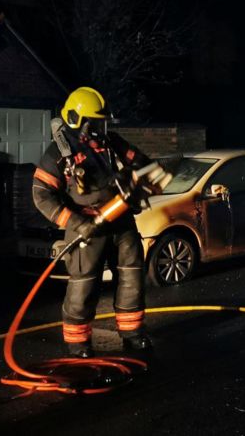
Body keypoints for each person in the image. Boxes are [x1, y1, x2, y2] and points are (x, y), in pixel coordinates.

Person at [32, 87, 157, 357]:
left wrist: (135, 181)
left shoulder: (112, 143)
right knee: (84, 285)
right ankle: (78, 345)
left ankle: (133, 334)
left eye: (102, 121)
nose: (102, 126)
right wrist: (76, 222)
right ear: (79, 120)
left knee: (132, 277)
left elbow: (145, 163)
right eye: (95, 121)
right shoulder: (59, 153)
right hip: (86, 230)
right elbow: (42, 196)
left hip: (120, 221)